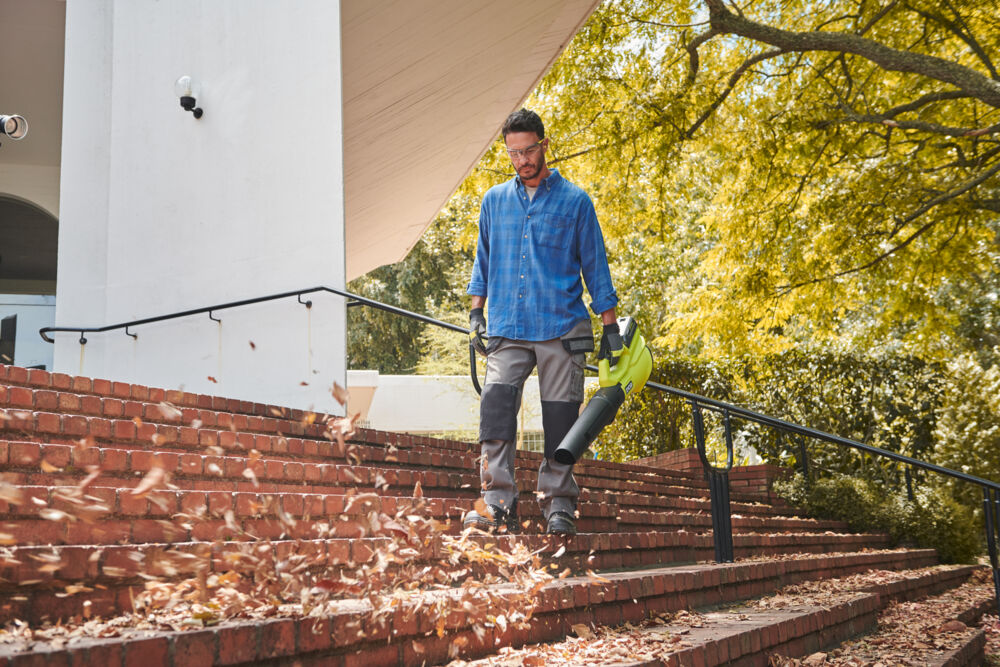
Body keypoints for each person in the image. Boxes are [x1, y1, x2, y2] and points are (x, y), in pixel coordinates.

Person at [464, 108, 622, 536]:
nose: (521, 161)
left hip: (560, 327)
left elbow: (596, 269)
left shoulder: (575, 202)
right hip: (506, 328)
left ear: (544, 145)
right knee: (495, 415)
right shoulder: (494, 201)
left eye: (528, 150)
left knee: (560, 422)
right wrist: (476, 313)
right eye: (513, 153)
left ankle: (559, 503)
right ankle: (498, 503)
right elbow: (483, 261)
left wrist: (610, 330)